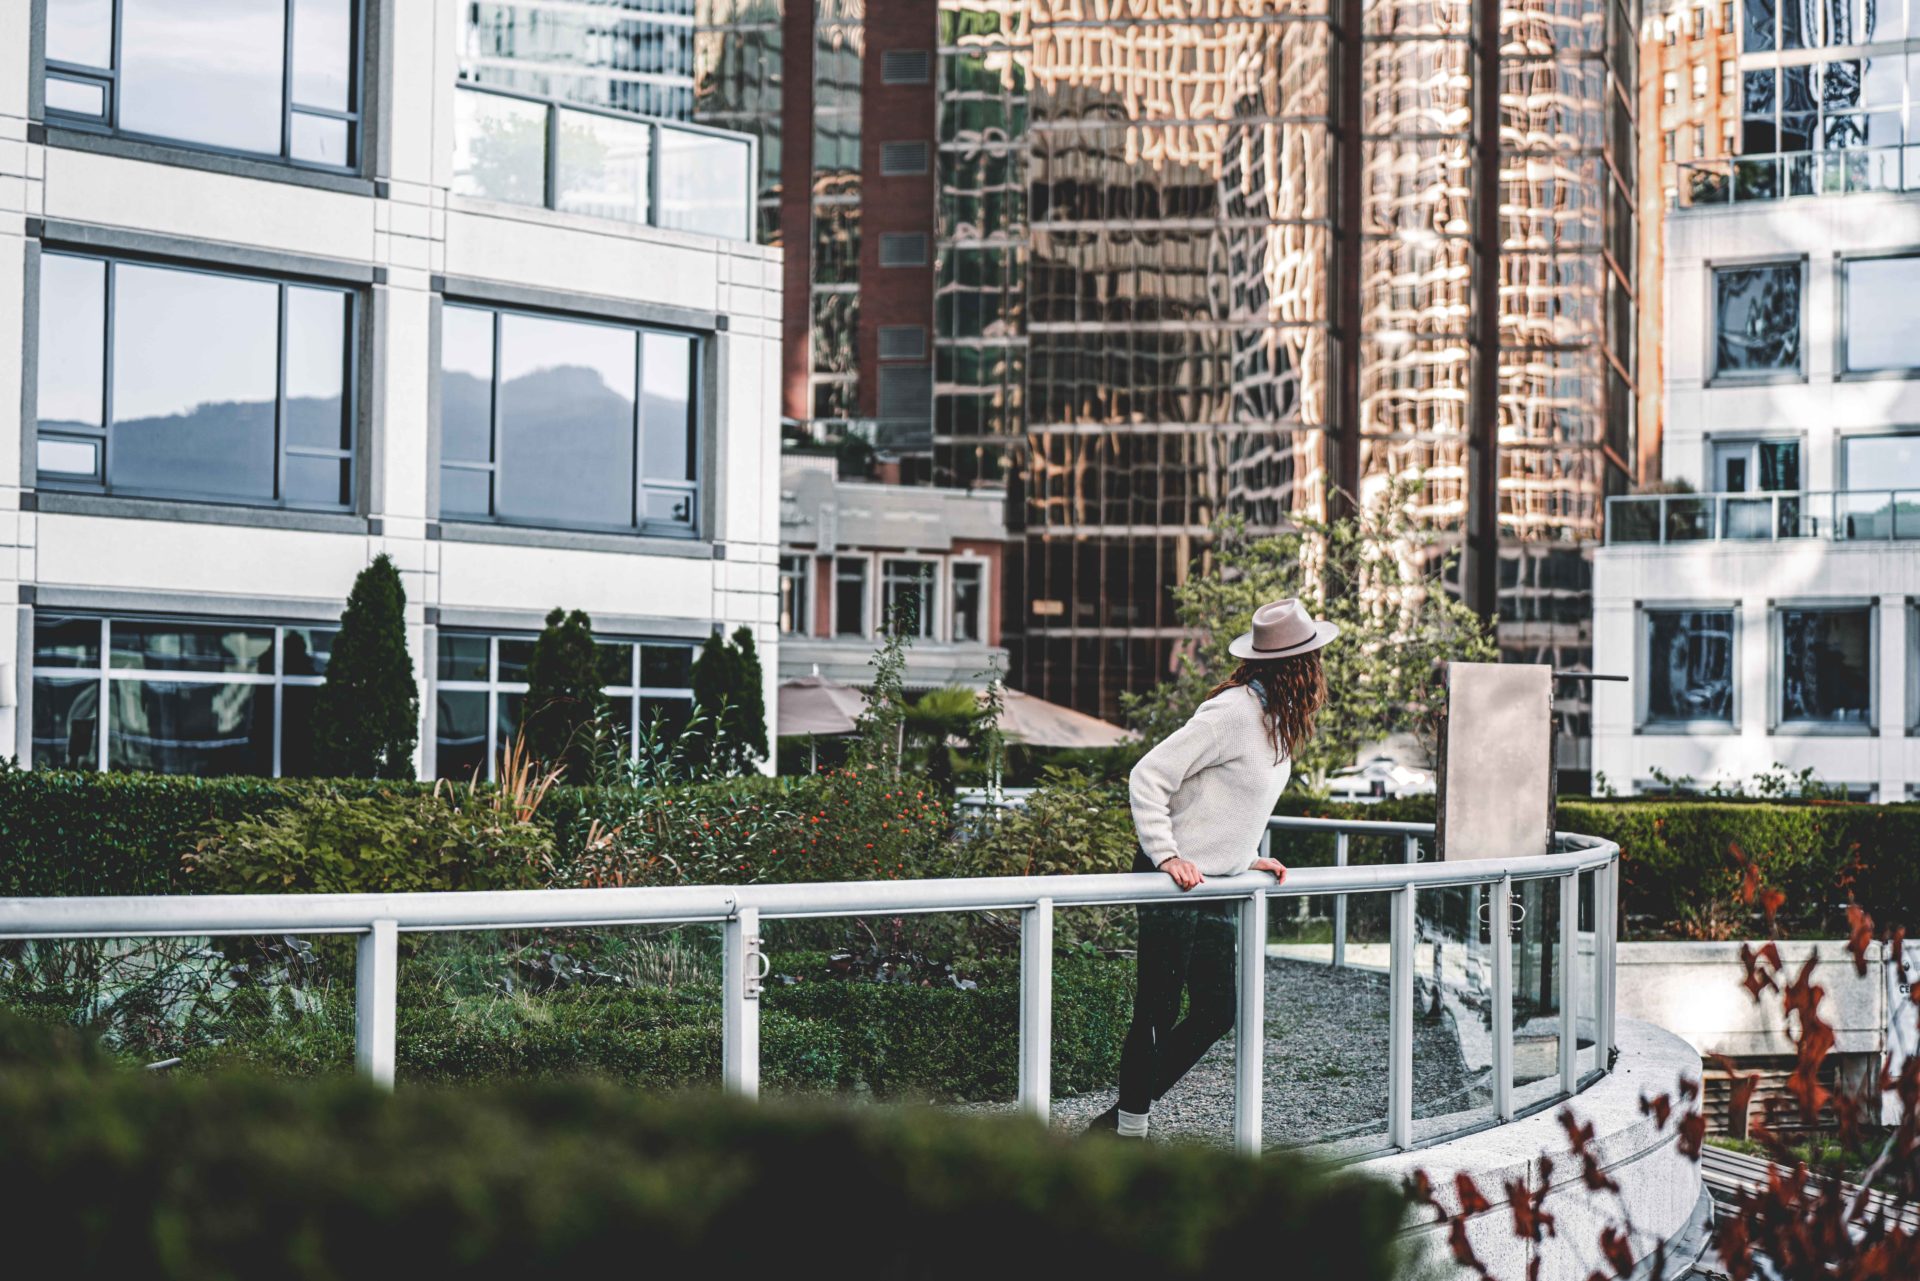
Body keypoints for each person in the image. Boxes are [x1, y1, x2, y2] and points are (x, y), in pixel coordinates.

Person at [1088, 598, 1337, 1139]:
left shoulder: (1275, 719)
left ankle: (1114, 1123)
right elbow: (1149, 776)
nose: (1321, 669)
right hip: (1170, 878)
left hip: (1216, 881)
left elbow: (1224, 800)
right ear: (1297, 667)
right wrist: (1167, 854)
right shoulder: (1232, 712)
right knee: (1156, 1008)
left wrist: (1246, 857)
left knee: (1216, 1010)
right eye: (1315, 658)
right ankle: (1129, 1131)